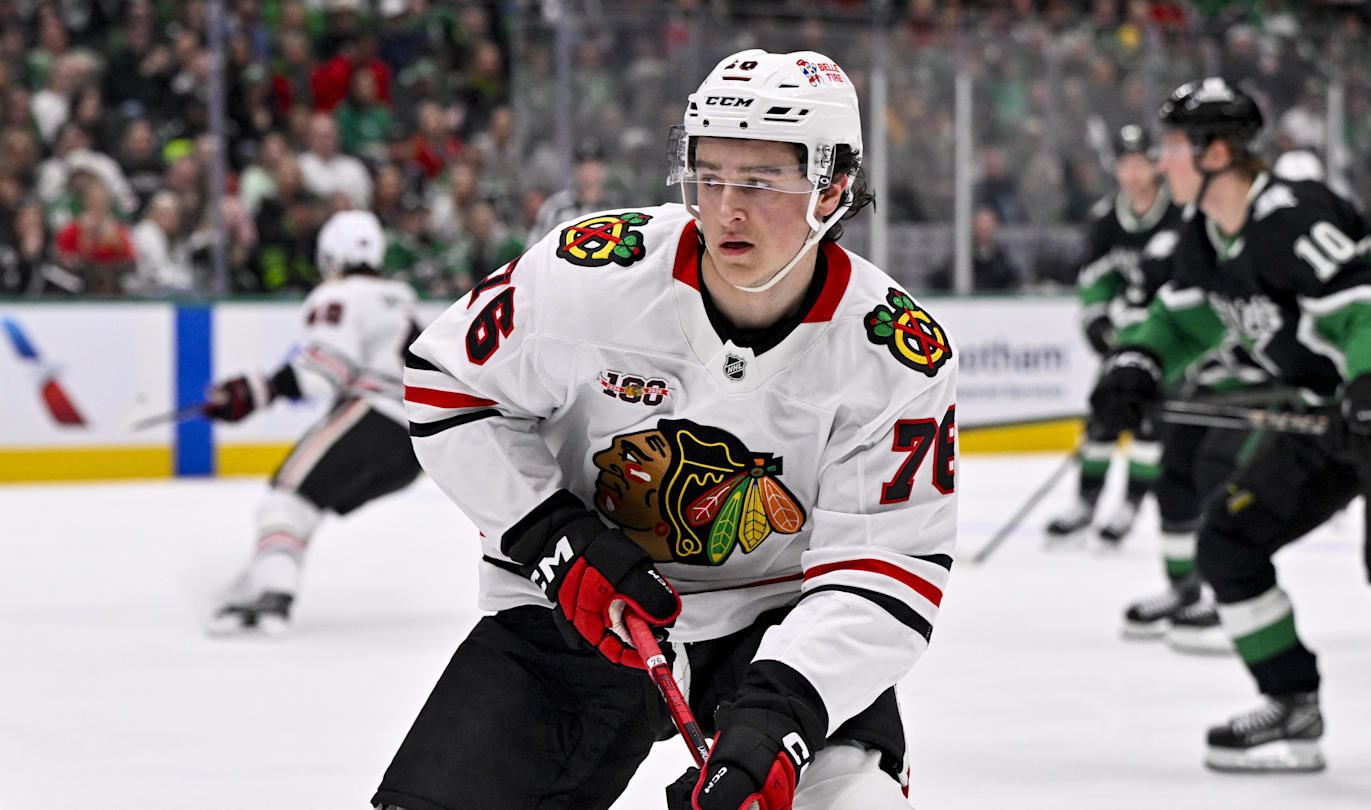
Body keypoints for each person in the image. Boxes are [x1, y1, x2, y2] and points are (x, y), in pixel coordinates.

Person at [373, 49, 956, 810]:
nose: (725, 209)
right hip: (580, 608)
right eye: (709, 176)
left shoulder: (894, 353)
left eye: (759, 181)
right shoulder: (589, 275)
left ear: (832, 185)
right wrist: (553, 537)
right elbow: (448, 385)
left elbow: (886, 572)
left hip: (773, 626)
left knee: (853, 803)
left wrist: (784, 707)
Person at [1091, 78, 1371, 797]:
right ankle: (1292, 706)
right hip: (1331, 408)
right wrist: (1136, 363)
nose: (1162, 162)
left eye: (1175, 147)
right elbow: (1181, 320)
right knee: (1229, 541)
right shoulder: (1204, 233)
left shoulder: (1292, 215)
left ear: (1218, 153)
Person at [204, 210, 422, 635]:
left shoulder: (337, 295)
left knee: (285, 499)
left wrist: (251, 392)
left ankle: (271, 598)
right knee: (305, 501)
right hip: (417, 440)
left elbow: (321, 374)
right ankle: (259, 577)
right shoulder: (401, 297)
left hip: (373, 414)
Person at [1046, 125, 1182, 546]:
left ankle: (1130, 505)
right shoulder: (1106, 219)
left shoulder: (1180, 214)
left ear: (1155, 164)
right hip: (1125, 335)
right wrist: (1097, 319)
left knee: (1148, 426)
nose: (1133, 174)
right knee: (1103, 416)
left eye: (1140, 163)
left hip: (1169, 339)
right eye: (1125, 165)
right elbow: (1095, 278)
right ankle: (1086, 503)